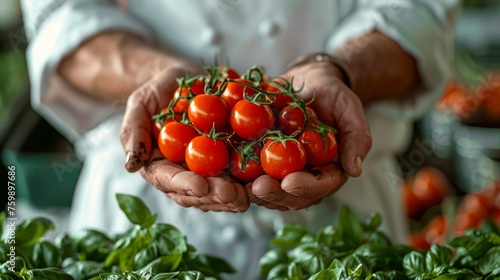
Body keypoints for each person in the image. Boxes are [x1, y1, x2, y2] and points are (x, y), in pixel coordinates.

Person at [21, 0, 459, 278]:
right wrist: (156, 78)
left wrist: (337, 71)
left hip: (342, 210)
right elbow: (58, 17)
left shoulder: (287, 123)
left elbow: (420, 11)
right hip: (148, 214)